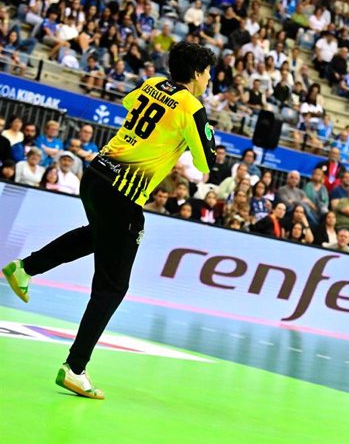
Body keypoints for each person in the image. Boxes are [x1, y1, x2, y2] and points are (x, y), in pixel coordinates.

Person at [2, 42, 217, 400]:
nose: (208, 80)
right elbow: (206, 161)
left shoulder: (152, 84)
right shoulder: (192, 106)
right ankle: (75, 368)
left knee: (96, 235)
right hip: (123, 191)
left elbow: (131, 105)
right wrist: (193, 135)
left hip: (97, 174)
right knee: (112, 287)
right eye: (207, 73)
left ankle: (25, 268)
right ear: (197, 74)